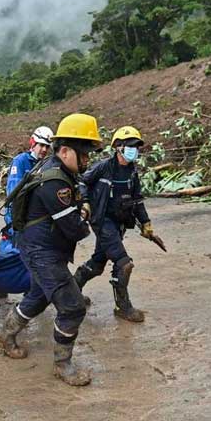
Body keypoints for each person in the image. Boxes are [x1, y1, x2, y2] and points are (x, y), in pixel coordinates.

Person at [0, 113, 101, 386]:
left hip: (37, 246)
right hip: (42, 252)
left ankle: (6, 334)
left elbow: (80, 192)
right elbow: (77, 229)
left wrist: (83, 206)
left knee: (40, 295)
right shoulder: (55, 182)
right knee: (73, 307)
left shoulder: (56, 169)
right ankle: (62, 365)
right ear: (65, 150)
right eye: (84, 155)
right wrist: (86, 213)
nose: (87, 161)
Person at [73, 126, 154, 323]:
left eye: (136, 146)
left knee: (98, 263)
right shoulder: (104, 167)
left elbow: (137, 200)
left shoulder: (133, 172)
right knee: (124, 264)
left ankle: (72, 292)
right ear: (118, 147)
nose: (134, 150)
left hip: (119, 223)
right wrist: (84, 201)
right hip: (102, 221)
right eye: (130, 146)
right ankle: (122, 307)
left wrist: (146, 222)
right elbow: (81, 181)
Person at [0, 126, 54, 253]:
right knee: (15, 252)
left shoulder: (46, 164)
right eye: (42, 145)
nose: (44, 149)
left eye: (47, 146)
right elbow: (14, 192)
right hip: (17, 215)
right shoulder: (21, 161)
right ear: (33, 143)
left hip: (33, 217)